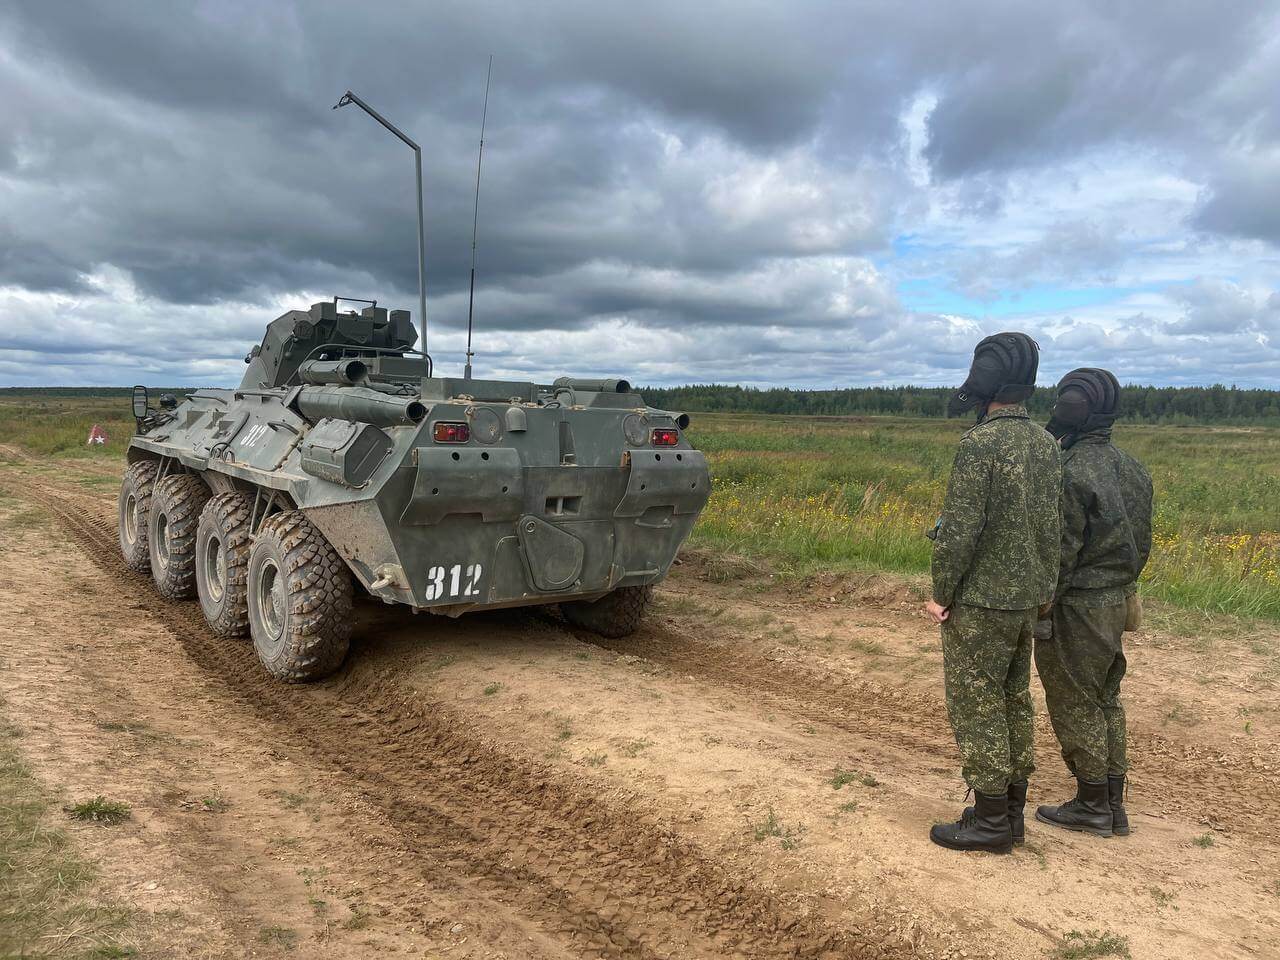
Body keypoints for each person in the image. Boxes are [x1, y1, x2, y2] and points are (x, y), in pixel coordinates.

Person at [926, 332, 1061, 855]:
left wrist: (941, 593)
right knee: (1014, 700)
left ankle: (988, 821)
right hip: (1027, 598)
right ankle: (1011, 812)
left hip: (981, 601)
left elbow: (960, 531)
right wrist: (1044, 589)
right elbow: (1052, 525)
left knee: (977, 704)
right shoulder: (1046, 444)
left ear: (984, 383)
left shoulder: (979, 445)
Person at [1034, 369, 1153, 838]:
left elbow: (1058, 552)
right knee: (1107, 697)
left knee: (1074, 698)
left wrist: (1042, 607)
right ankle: (1112, 802)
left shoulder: (1069, 470)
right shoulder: (1133, 468)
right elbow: (1141, 541)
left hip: (1078, 604)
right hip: (1119, 598)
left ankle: (1090, 804)